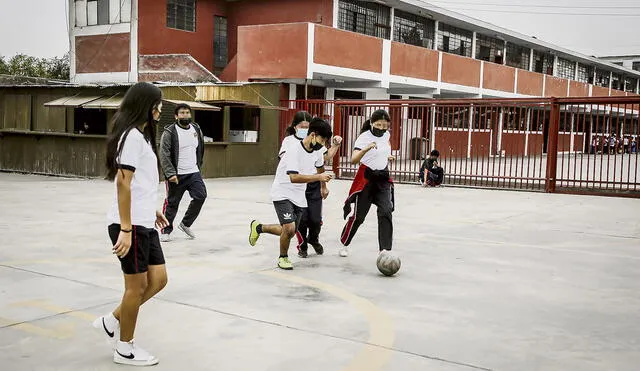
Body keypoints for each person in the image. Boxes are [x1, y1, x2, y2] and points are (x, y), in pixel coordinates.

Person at [93, 82, 169, 366]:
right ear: (148, 106)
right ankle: (125, 348)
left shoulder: (141, 137)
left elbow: (140, 184)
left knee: (159, 280)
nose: (161, 109)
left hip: (143, 221)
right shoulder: (131, 137)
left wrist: (152, 211)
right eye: (158, 104)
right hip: (131, 226)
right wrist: (125, 229)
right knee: (135, 288)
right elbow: (123, 183)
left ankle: (111, 321)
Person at [248, 117, 334, 270]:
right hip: (282, 192)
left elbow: (320, 168)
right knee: (289, 229)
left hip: (299, 196)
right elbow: (294, 178)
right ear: (313, 135)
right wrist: (318, 177)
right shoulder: (294, 150)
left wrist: (323, 187)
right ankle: (283, 258)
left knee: (290, 231)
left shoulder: (318, 151)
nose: (324, 144)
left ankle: (258, 228)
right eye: (323, 140)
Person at [278, 111, 343, 258]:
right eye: (302, 126)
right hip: (296, 186)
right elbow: (287, 166)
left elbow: (323, 159)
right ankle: (302, 245)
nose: (305, 129)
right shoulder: (290, 143)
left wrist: (323, 185)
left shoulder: (316, 146)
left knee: (315, 220)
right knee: (301, 221)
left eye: (307, 126)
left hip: (312, 183)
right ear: (295, 127)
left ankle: (313, 239)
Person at [339, 109, 395, 258]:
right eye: (378, 125)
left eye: (385, 126)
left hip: (383, 178)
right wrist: (367, 148)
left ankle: (385, 250)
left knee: (386, 210)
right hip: (367, 179)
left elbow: (381, 150)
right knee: (359, 217)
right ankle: (345, 243)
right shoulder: (364, 137)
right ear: (371, 123)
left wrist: (387, 156)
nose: (382, 129)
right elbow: (353, 159)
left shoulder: (386, 135)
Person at [159, 104, 206, 242]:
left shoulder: (196, 129)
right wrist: (170, 173)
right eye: (182, 113)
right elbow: (164, 153)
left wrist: (198, 165)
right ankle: (166, 230)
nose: (185, 115)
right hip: (177, 174)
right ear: (176, 116)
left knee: (201, 196)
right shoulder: (170, 132)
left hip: (193, 172)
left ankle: (185, 224)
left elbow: (200, 148)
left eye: (187, 113)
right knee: (172, 203)